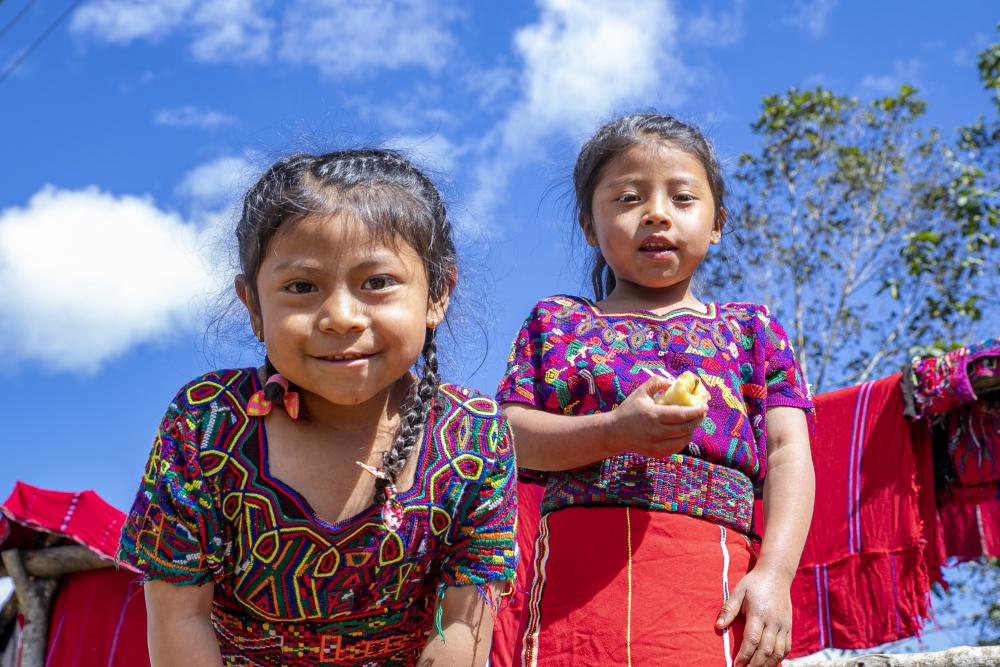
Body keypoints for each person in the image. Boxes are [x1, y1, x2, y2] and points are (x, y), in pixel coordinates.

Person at [118, 149, 517, 666]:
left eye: (376, 283)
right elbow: (179, 614)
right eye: (302, 287)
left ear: (437, 292)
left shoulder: (476, 435)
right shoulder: (209, 421)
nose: (340, 317)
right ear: (254, 308)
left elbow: (461, 623)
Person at [495, 113, 815, 667]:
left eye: (684, 197)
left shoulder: (752, 330)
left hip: (711, 585)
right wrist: (614, 431)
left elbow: (789, 453)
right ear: (589, 227)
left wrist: (775, 575)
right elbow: (509, 436)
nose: (657, 214)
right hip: (576, 586)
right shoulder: (556, 324)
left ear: (717, 223)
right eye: (627, 198)